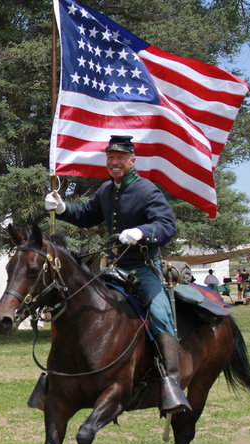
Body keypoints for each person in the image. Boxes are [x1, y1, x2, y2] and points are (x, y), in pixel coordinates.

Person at [44, 135, 190, 414]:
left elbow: (167, 225)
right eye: (110, 157)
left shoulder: (148, 191)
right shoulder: (105, 191)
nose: (114, 162)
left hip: (143, 267)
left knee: (160, 313)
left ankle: (171, 383)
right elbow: (86, 214)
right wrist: (62, 209)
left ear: (132, 161)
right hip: (113, 267)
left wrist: (141, 233)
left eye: (120, 158)